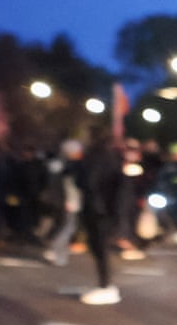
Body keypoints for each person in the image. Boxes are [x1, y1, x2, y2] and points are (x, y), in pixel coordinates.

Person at [77, 129, 125, 305]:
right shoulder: (112, 157)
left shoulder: (96, 157)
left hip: (98, 209)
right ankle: (104, 284)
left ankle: (105, 285)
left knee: (99, 247)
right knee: (99, 247)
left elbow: (87, 182)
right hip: (104, 208)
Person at [43, 139, 84, 267]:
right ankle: (57, 251)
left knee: (62, 225)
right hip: (67, 201)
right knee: (67, 227)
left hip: (58, 201)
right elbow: (69, 186)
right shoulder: (69, 166)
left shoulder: (56, 164)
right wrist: (70, 201)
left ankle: (58, 253)